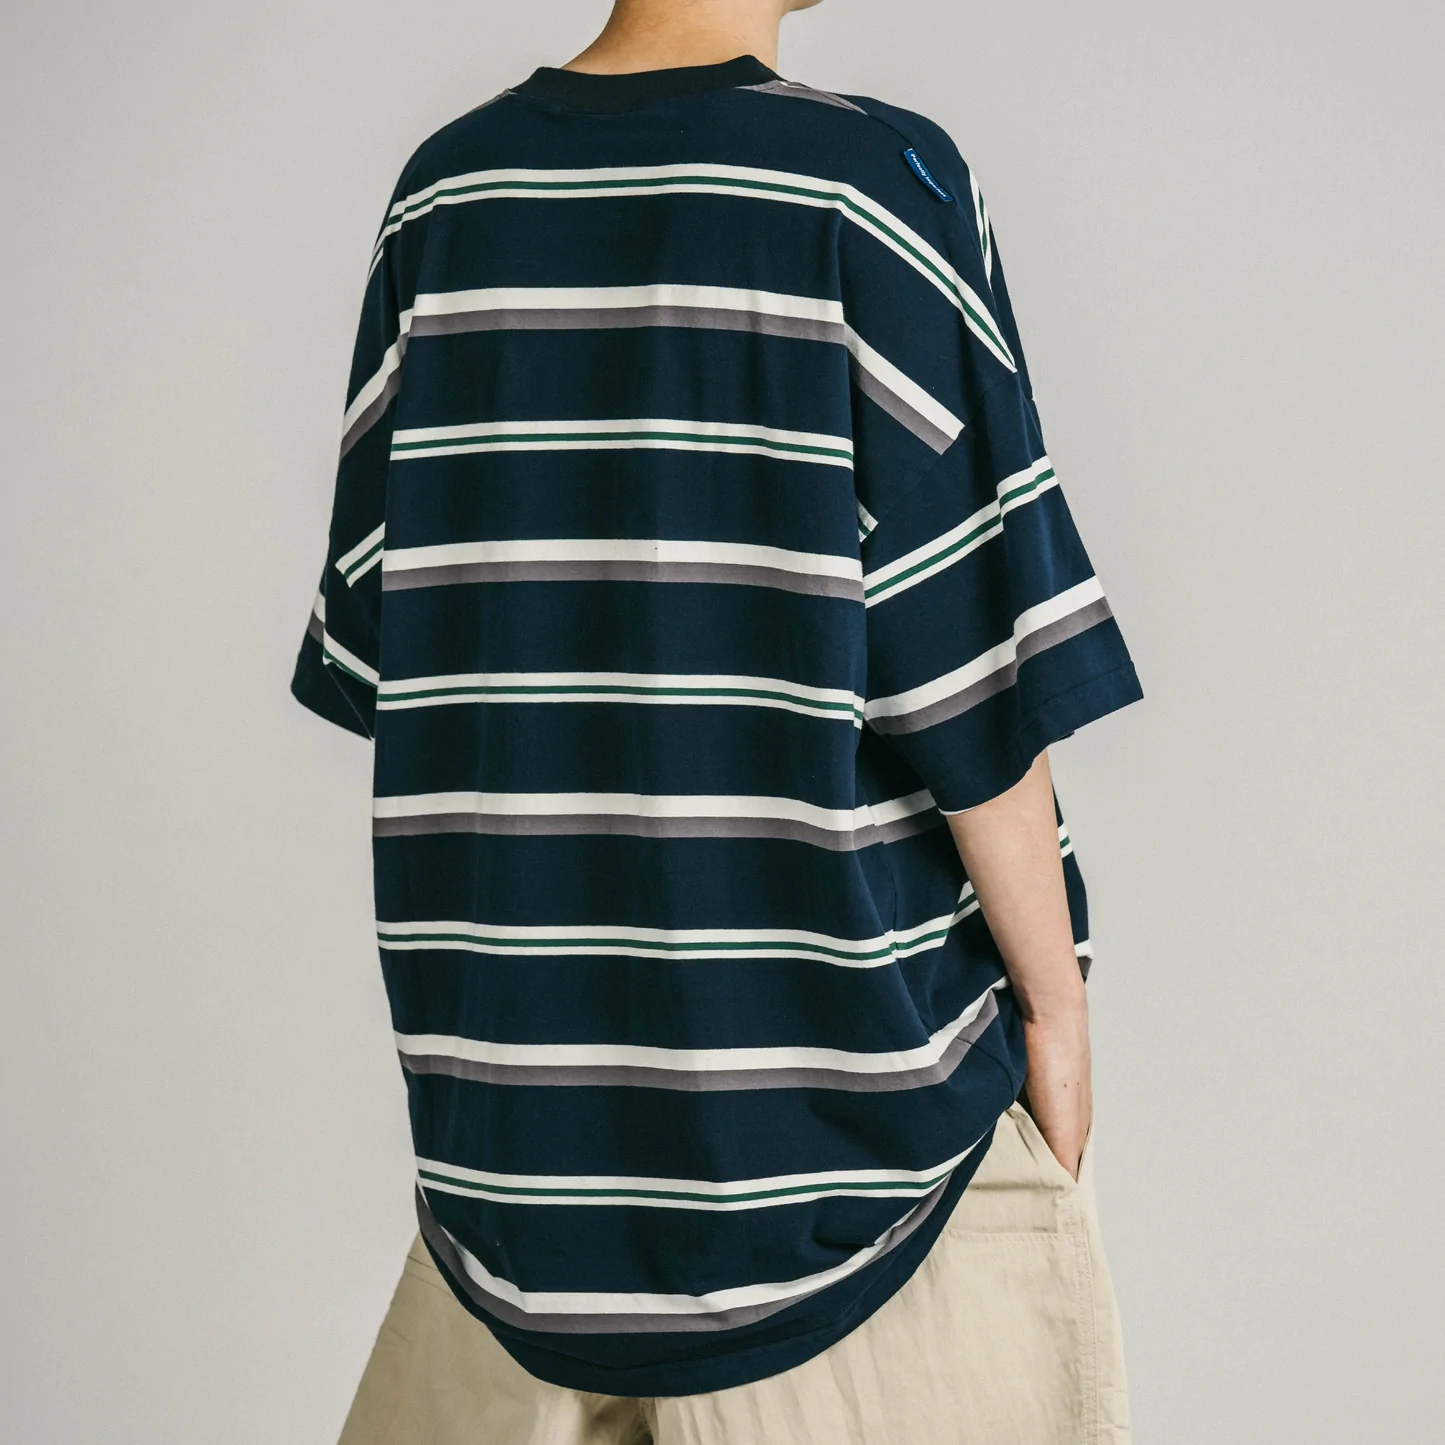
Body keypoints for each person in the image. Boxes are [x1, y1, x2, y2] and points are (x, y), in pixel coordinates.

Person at [292, 1, 1143, 1439]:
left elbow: (397, 645)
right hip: (852, 1172)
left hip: (516, 1183)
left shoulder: (445, 197)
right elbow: (974, 676)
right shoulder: (871, 186)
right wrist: (1057, 1012)